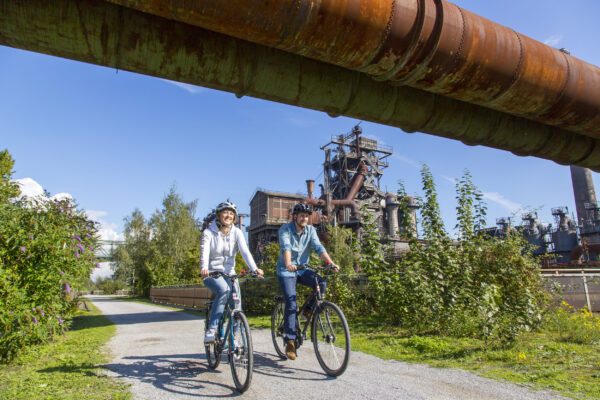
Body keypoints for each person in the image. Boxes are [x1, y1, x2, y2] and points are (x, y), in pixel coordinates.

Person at [277, 203, 338, 360]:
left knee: (322, 282)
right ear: (295, 217)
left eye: (306, 216)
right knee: (291, 302)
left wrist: (330, 263)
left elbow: (318, 248)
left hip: (303, 268)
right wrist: (289, 264)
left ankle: (307, 311)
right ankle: (290, 341)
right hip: (287, 270)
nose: (304, 218)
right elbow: (286, 247)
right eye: (301, 215)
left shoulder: (311, 230)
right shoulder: (285, 229)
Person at [201, 200, 264, 343]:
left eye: (231, 213)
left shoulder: (237, 232)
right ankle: (212, 328)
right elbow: (204, 252)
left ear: (234, 217)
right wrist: (204, 267)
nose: (228, 215)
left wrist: (254, 269)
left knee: (236, 305)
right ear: (219, 215)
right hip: (212, 273)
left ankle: (234, 337)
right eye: (225, 212)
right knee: (223, 290)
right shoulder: (208, 232)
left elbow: (245, 252)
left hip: (230, 273)